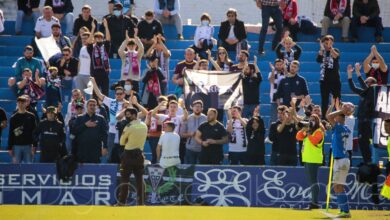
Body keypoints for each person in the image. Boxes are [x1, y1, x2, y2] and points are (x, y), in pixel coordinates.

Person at [90, 77, 127, 163]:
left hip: (124, 131)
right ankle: (110, 172)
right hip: (112, 131)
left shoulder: (128, 104)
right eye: (117, 94)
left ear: (124, 94)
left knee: (123, 154)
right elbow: (99, 94)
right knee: (110, 153)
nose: (119, 95)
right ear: (115, 94)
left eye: (120, 93)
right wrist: (94, 82)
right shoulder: (112, 102)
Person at [326, 100, 352, 218]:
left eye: (336, 117)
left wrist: (341, 110)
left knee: (337, 187)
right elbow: (331, 117)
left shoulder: (340, 127)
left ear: (339, 118)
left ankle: (345, 211)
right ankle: (343, 210)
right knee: (337, 186)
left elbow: (328, 116)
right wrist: (338, 109)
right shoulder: (345, 128)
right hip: (342, 159)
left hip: (341, 160)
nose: (334, 119)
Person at [117, 107, 148, 206]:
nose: (127, 116)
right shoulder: (144, 125)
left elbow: (121, 142)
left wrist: (128, 140)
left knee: (125, 179)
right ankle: (141, 203)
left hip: (128, 155)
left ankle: (122, 202)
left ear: (135, 115)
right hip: (139, 154)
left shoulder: (129, 126)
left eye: (129, 114)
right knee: (140, 180)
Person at [347, 63, 375, 163]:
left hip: (368, 122)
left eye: (368, 82)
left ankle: (368, 161)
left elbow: (364, 86)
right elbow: (353, 88)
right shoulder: (365, 92)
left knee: (365, 142)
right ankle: (366, 161)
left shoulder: (373, 92)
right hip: (361, 122)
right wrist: (349, 74)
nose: (366, 83)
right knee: (362, 143)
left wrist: (358, 72)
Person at [296, 113, 325, 209]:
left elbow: (314, 141)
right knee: (311, 180)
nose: (311, 122)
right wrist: (304, 129)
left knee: (313, 181)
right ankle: (314, 202)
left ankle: (315, 203)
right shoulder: (310, 130)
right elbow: (298, 137)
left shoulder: (319, 131)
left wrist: (308, 134)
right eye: (310, 120)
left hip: (313, 159)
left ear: (317, 122)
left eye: (313, 120)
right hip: (307, 158)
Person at [71, 99, 108, 163]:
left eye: (94, 105)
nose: (92, 107)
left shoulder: (101, 119)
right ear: (86, 106)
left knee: (94, 170)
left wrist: (105, 147)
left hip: (95, 150)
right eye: (90, 105)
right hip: (82, 150)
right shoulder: (79, 118)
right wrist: (85, 125)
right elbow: (74, 131)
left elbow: (105, 134)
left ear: (96, 107)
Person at [317, 35, 341, 119]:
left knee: (337, 100)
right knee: (324, 101)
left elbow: (336, 56)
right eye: (325, 43)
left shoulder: (335, 50)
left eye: (329, 43)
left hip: (335, 80)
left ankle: (338, 117)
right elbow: (319, 60)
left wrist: (330, 48)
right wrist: (321, 49)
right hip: (324, 81)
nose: (327, 45)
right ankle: (324, 118)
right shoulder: (322, 52)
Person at [8, 96, 37, 164]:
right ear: (17, 104)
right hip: (16, 146)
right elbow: (11, 133)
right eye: (19, 103)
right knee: (16, 168)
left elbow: (35, 132)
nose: (20, 105)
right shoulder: (13, 118)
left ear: (26, 104)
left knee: (29, 167)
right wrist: (10, 147)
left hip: (28, 146)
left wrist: (35, 145)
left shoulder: (31, 116)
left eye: (22, 103)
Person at [181, 100, 207, 164]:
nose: (197, 108)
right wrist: (190, 134)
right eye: (195, 106)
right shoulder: (188, 118)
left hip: (202, 149)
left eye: (199, 106)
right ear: (192, 108)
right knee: (190, 170)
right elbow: (182, 134)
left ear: (202, 108)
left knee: (201, 170)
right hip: (190, 149)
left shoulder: (206, 119)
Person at [87, 30, 111, 96]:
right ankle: (96, 105)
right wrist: (93, 28)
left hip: (104, 73)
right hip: (94, 74)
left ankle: (105, 106)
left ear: (103, 39)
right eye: (97, 37)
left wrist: (106, 27)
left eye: (100, 37)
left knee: (105, 93)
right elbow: (88, 42)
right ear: (94, 39)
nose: (99, 39)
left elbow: (108, 40)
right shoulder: (92, 48)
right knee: (94, 94)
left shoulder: (105, 47)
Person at [145, 96, 168, 164]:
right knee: (154, 154)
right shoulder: (152, 112)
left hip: (165, 136)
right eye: (159, 102)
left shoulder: (168, 111)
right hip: (153, 136)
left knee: (163, 154)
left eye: (163, 102)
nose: (161, 104)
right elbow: (147, 123)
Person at [268, 59, 286, 123]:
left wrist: (285, 68)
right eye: (277, 65)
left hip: (283, 99)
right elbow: (271, 81)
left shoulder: (285, 73)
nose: (279, 66)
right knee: (274, 119)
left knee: (285, 118)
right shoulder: (271, 73)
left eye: (280, 65)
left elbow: (288, 78)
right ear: (275, 65)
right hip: (274, 99)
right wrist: (273, 70)